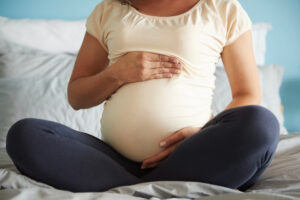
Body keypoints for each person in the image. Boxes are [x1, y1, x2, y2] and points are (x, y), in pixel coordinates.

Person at [6, 0, 280, 193]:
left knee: (261, 124)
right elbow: (77, 96)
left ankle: (126, 188)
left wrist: (200, 133)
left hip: (191, 153)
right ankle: (171, 186)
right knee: (25, 134)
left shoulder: (222, 9)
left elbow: (247, 94)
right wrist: (118, 73)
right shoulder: (109, 10)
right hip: (112, 160)